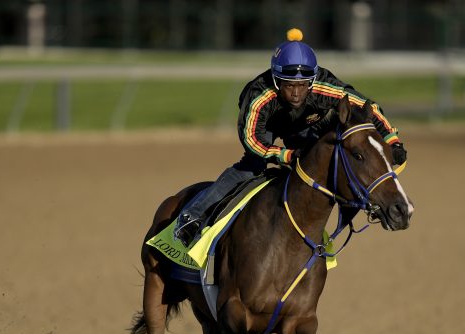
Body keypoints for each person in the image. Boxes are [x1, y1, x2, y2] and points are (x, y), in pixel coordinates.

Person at [174, 28, 406, 246]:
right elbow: (251, 139)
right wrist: (284, 155)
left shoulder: (325, 86)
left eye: (303, 85)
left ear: (313, 81)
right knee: (252, 165)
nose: (296, 92)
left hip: (307, 124)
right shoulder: (259, 95)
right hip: (270, 126)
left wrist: (392, 141)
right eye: (288, 85)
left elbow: (369, 109)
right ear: (276, 80)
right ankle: (192, 215)